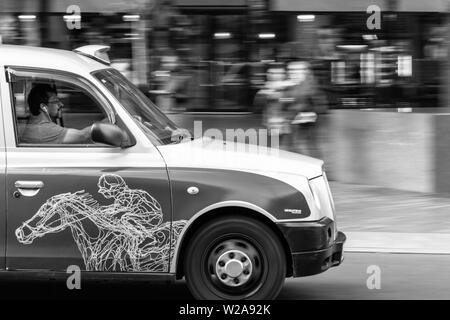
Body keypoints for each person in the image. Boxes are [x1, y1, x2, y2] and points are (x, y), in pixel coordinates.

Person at [21, 83, 98, 144]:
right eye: (56, 101)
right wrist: (105, 123)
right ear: (43, 107)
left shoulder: (35, 125)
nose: (61, 104)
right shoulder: (44, 129)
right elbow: (83, 136)